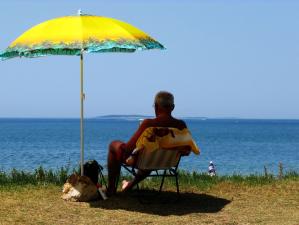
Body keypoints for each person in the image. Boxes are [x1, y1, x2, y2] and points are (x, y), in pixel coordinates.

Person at [106, 91, 190, 196]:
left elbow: (128, 149)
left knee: (113, 145)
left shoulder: (149, 124)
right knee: (149, 155)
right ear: (172, 107)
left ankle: (111, 189)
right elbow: (187, 150)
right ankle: (129, 185)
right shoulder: (181, 125)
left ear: (156, 106)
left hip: (145, 162)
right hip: (167, 162)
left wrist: (118, 146)